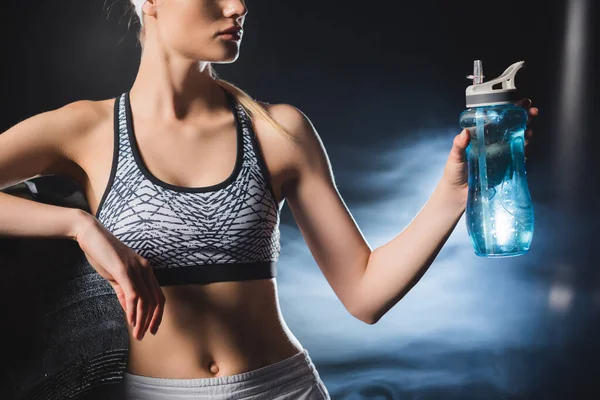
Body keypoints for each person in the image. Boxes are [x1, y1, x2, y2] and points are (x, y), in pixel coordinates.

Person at [0, 0, 538, 399]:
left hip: (284, 388)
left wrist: (454, 192)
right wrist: (78, 226)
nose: (238, 6)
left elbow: (365, 293)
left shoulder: (277, 130)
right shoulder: (86, 130)